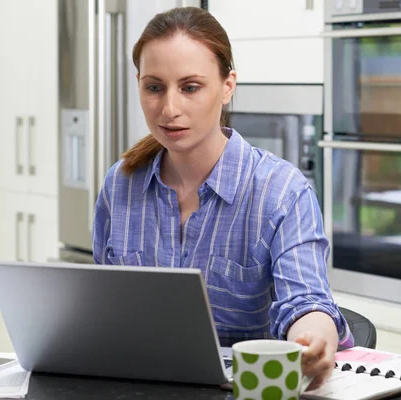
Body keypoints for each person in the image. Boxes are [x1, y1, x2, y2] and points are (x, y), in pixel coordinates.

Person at [92, 6, 354, 389]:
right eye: (154, 87)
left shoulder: (282, 192)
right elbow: (101, 309)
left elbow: (307, 302)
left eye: (190, 87)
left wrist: (315, 339)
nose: (169, 108)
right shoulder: (121, 184)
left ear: (227, 86)